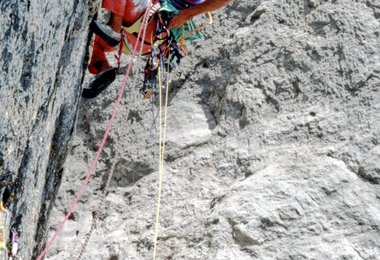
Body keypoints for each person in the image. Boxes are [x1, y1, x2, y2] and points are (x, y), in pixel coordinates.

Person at [88, 0, 232, 75]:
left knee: (106, 35)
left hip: (147, 26)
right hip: (140, 41)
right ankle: (100, 65)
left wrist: (186, 14)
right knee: (94, 39)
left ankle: (114, 28)